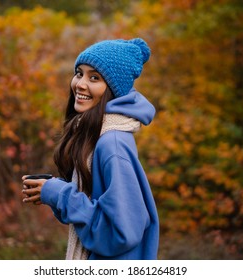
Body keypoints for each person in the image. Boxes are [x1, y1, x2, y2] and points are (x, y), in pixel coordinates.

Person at [22, 38, 159, 260]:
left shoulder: (111, 144)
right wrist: (53, 191)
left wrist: (60, 194)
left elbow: (121, 231)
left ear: (112, 89)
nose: (80, 84)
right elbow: (95, 205)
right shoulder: (96, 134)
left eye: (94, 77)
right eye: (79, 73)